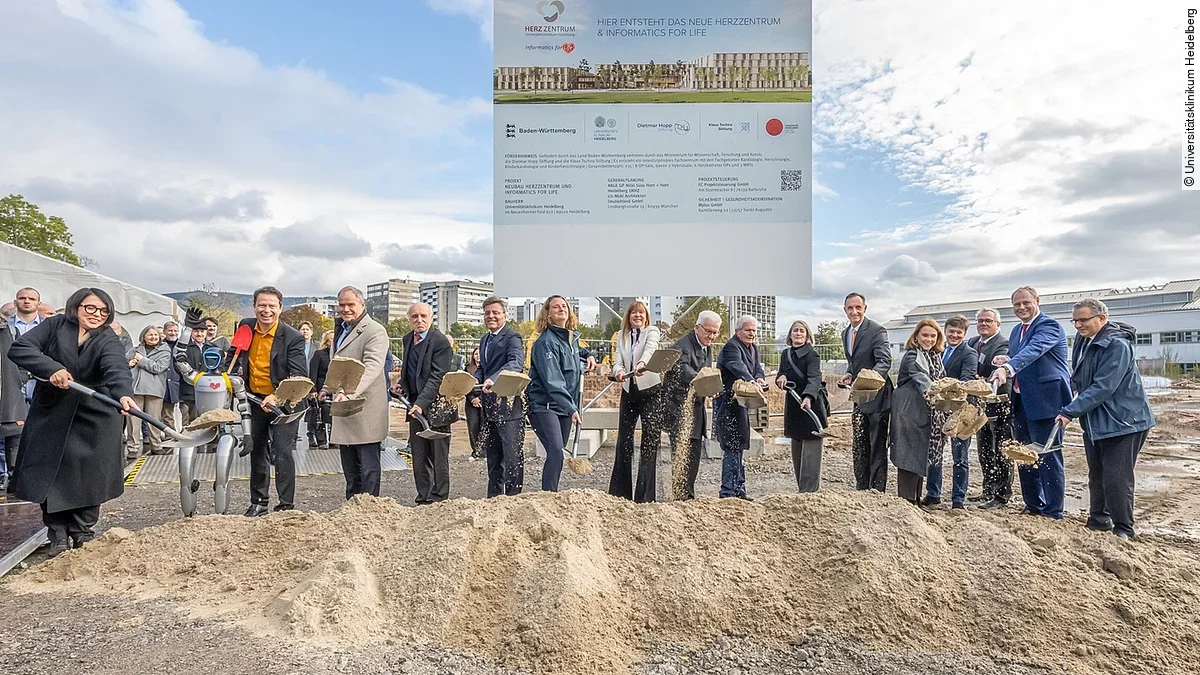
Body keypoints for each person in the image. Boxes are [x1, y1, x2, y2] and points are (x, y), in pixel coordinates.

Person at [7, 287, 137, 555]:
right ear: (76, 306)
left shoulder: (108, 338)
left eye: (103, 310)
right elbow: (21, 348)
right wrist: (51, 368)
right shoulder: (55, 325)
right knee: (49, 473)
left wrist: (123, 394)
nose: (96, 314)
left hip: (95, 414)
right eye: (90, 308)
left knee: (90, 476)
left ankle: (83, 533)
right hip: (52, 411)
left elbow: (116, 367)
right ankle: (57, 533)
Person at [1055, 299, 1155, 540]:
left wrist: (1070, 412)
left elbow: (1103, 387)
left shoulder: (1116, 345)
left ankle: (1123, 528)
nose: (1078, 325)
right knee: (1097, 474)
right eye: (1075, 321)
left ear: (1102, 318)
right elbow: (1078, 378)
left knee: (1116, 478)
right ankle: (1099, 520)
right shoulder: (1084, 340)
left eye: (1084, 320)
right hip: (1097, 421)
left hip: (1124, 421)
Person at [989, 286, 1072, 520]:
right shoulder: (1016, 331)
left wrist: (1008, 367)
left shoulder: (1049, 326)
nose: (1022, 308)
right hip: (1022, 400)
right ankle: (1033, 504)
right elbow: (1022, 355)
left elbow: (1035, 350)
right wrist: (1008, 359)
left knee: (1047, 455)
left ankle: (1053, 510)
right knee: (1022, 453)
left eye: (1026, 303)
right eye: (1017, 304)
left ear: (1037, 301)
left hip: (1047, 400)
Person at [233, 286, 309, 517]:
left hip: (286, 402)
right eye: (262, 305)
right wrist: (234, 376)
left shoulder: (293, 337)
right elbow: (234, 356)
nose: (266, 310)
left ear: (280, 308)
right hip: (254, 400)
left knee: (282, 451)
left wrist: (275, 397)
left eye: (271, 306)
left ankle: (286, 505)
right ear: (254, 306)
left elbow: (298, 375)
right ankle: (259, 502)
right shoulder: (245, 327)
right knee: (256, 450)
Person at [327, 287, 390, 500]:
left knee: (369, 468)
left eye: (350, 304)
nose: (345, 309)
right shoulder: (341, 329)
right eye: (342, 305)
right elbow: (337, 365)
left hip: (365, 406)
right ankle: (351, 508)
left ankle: (370, 509)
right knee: (350, 468)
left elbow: (372, 366)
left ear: (362, 305)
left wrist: (350, 392)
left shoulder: (374, 331)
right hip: (344, 405)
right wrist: (327, 389)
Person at [526, 295, 586, 493]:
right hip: (544, 405)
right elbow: (553, 380)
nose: (561, 309)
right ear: (548, 315)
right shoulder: (545, 343)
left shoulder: (572, 338)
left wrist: (590, 355)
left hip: (563, 406)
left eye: (564, 306)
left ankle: (552, 492)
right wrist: (571, 408)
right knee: (555, 451)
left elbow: (579, 351)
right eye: (555, 307)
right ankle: (548, 495)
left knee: (557, 451)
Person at [396, 302, 453, 504]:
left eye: (423, 316)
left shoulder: (440, 342)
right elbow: (410, 371)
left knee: (438, 456)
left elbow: (437, 376)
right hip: (415, 408)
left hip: (437, 406)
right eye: (414, 316)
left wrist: (421, 402)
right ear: (409, 319)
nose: (419, 320)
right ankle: (423, 496)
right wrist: (402, 386)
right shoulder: (407, 340)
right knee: (419, 456)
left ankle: (439, 498)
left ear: (431, 318)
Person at [661, 310, 721, 500]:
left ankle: (688, 495)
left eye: (715, 333)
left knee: (694, 454)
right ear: (697, 327)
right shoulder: (683, 345)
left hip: (696, 408)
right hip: (679, 407)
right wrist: (704, 382)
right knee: (681, 453)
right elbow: (683, 369)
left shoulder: (706, 346)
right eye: (708, 331)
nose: (711, 336)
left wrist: (711, 386)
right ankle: (679, 496)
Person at [609, 300, 664, 503]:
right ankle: (619, 493)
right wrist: (619, 371)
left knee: (649, 441)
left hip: (651, 391)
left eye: (641, 313)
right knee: (624, 440)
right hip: (629, 391)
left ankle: (645, 496)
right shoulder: (621, 336)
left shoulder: (652, 331)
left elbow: (650, 349)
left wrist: (642, 363)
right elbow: (617, 361)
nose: (638, 316)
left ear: (646, 316)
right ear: (628, 317)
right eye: (634, 313)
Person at [890, 319, 949, 504]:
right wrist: (941, 396)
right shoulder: (912, 356)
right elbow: (922, 379)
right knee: (908, 454)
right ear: (916, 336)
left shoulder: (934, 355)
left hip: (924, 410)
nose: (929, 339)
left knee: (919, 453)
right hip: (908, 410)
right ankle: (907, 502)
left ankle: (915, 499)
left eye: (933, 336)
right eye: (925, 335)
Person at [840, 293, 894, 492]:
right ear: (845, 310)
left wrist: (869, 379)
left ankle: (878, 490)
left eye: (858, 307)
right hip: (860, 397)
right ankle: (862, 487)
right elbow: (854, 362)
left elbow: (884, 361)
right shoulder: (846, 333)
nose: (854, 311)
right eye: (850, 308)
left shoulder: (876, 330)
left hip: (878, 396)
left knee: (877, 444)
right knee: (860, 443)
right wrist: (849, 373)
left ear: (865, 308)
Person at [923, 315, 978, 508]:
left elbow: (967, 379)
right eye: (951, 331)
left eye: (959, 332)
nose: (954, 335)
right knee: (934, 453)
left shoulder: (969, 354)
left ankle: (958, 499)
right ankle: (933, 493)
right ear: (945, 331)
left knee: (960, 457)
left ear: (964, 333)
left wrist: (944, 389)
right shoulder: (938, 350)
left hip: (960, 412)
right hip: (938, 410)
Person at [474, 297, 527, 497]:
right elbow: (482, 368)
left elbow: (515, 363)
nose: (491, 316)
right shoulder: (485, 339)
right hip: (490, 407)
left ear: (505, 315)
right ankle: (494, 499)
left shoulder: (512, 337)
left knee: (512, 457)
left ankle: (514, 498)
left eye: (495, 312)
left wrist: (493, 379)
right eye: (487, 313)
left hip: (509, 406)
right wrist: (473, 380)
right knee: (493, 458)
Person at [714, 315, 766, 500]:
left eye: (754, 330)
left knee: (739, 446)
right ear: (738, 331)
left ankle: (739, 490)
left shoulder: (752, 348)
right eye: (748, 330)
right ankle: (728, 491)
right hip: (727, 404)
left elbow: (757, 368)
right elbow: (738, 367)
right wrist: (751, 380)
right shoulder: (731, 347)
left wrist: (759, 377)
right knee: (731, 446)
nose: (752, 333)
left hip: (740, 403)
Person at [967, 308, 1014, 509]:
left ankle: (1002, 494)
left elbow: (997, 369)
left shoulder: (1003, 344)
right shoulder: (972, 343)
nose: (983, 324)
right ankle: (988, 489)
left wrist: (981, 379)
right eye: (980, 321)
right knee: (984, 448)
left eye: (988, 320)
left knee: (1001, 449)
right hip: (980, 406)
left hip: (999, 404)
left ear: (998, 324)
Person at [775, 319, 829, 493]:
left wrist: (807, 397)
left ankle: (810, 491)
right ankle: (801, 489)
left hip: (809, 405)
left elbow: (814, 377)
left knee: (811, 450)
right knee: (797, 450)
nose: (798, 333)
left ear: (807, 336)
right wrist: (780, 377)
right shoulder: (786, 354)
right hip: (793, 406)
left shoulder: (812, 355)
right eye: (795, 330)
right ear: (790, 335)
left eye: (802, 331)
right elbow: (781, 372)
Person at [126, 325, 171, 458]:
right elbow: (124, 364)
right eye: (150, 335)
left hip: (154, 390)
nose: (153, 337)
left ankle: (156, 445)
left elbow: (158, 367)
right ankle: (132, 448)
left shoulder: (165, 351)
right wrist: (129, 364)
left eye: (155, 335)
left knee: (154, 420)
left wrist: (141, 360)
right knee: (133, 421)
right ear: (143, 337)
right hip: (135, 389)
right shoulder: (133, 350)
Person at [174, 315, 209, 429]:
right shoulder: (184, 348)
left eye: (202, 331)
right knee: (191, 421)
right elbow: (177, 366)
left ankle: (209, 446)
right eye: (196, 331)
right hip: (189, 391)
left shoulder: (212, 347)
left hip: (207, 390)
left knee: (207, 421)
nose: (199, 334)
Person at [309, 330, 334, 449]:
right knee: (320, 415)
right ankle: (321, 441)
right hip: (320, 386)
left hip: (335, 388)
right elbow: (313, 372)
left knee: (335, 416)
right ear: (326, 342)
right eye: (331, 340)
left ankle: (334, 439)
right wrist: (313, 389)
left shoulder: (339, 355)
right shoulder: (319, 354)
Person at [161, 320, 182, 432]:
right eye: (170, 331)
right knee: (167, 415)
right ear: (164, 331)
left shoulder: (183, 346)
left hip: (180, 385)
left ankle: (182, 438)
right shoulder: (159, 346)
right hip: (163, 385)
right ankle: (170, 438)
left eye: (175, 331)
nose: (173, 333)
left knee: (184, 414)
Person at [464, 346, 484, 460]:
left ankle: (483, 451)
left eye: (479, 354)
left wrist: (480, 398)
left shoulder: (486, 369)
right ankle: (475, 451)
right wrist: (472, 399)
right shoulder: (467, 368)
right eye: (476, 354)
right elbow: (465, 386)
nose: (478, 356)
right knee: (473, 426)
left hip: (483, 400)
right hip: (470, 401)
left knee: (483, 425)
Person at [299, 321, 316, 444]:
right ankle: (293, 435)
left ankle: (311, 434)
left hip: (312, 380)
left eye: (307, 329)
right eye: (302, 329)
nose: (305, 331)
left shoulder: (317, 346)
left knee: (312, 410)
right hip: (298, 381)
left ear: (311, 332)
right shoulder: (295, 345)